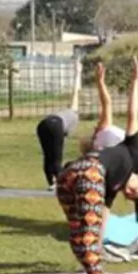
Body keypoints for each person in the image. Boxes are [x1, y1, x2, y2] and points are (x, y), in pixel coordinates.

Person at [54, 57, 138, 274]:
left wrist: (98, 247)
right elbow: (132, 115)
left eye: (129, 197)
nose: (129, 193)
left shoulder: (110, 187)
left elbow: (101, 222)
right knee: (85, 232)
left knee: (80, 232)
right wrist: (135, 82)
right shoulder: (134, 152)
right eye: (134, 191)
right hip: (84, 171)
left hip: (71, 176)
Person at [36, 59, 83, 189]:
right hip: (56, 125)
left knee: (48, 155)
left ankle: (52, 183)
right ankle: (59, 183)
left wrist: (77, 73)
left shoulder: (71, 111)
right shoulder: (74, 118)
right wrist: (77, 73)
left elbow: (75, 93)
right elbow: (63, 135)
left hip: (43, 123)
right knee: (56, 156)